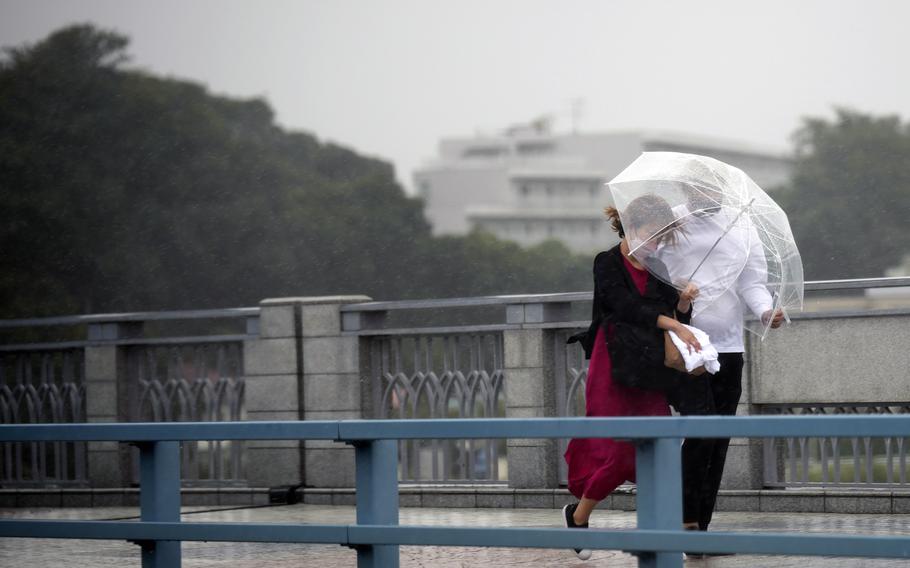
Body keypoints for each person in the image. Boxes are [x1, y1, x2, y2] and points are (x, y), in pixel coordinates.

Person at [562, 195, 700, 561]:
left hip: (649, 370)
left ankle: (664, 532)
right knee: (620, 450)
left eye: (663, 236)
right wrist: (671, 319)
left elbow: (676, 319)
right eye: (653, 234)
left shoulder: (658, 266)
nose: (657, 243)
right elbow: (624, 307)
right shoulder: (606, 262)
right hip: (613, 365)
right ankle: (579, 516)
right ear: (631, 226)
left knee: (660, 447)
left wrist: (683, 302)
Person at [659, 186, 784, 554]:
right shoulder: (671, 222)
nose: (704, 194)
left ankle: (700, 528)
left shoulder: (741, 224)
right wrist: (677, 289)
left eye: (711, 188)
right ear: (686, 188)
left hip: (729, 348)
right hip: (687, 347)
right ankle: (685, 522)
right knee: (699, 433)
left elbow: (752, 282)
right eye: (696, 188)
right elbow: (654, 274)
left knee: (718, 438)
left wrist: (765, 311)